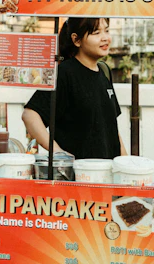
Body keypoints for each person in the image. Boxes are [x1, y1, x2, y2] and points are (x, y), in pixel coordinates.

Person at [22, 17, 126, 160]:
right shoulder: (65, 73)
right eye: (96, 33)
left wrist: (125, 161)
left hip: (108, 174)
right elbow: (30, 115)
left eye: (106, 31)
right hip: (77, 175)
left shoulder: (104, 73)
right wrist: (57, 152)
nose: (105, 38)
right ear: (76, 40)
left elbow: (112, 128)